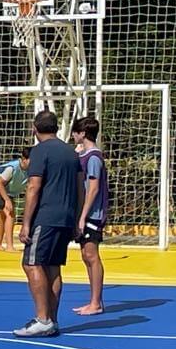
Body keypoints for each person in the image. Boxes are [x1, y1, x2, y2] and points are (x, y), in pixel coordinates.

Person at [15, 110, 83, 338]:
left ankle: (43, 318)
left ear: (35, 128)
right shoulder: (71, 153)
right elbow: (80, 188)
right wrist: (76, 218)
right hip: (65, 217)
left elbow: (34, 187)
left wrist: (25, 223)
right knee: (53, 268)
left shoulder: (40, 151)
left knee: (32, 264)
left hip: (46, 217)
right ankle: (52, 319)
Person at [71, 116, 108, 316]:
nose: (73, 136)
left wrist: (83, 216)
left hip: (93, 214)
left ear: (83, 133)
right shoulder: (83, 155)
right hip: (86, 213)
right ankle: (94, 300)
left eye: (75, 132)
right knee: (86, 255)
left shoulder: (94, 157)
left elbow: (93, 189)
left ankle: (96, 302)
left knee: (92, 255)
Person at [0, 147, 31, 252]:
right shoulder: (12, 168)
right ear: (24, 159)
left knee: (2, 217)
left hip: (10, 192)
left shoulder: (30, 170)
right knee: (10, 213)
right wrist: (7, 200)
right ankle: (9, 246)